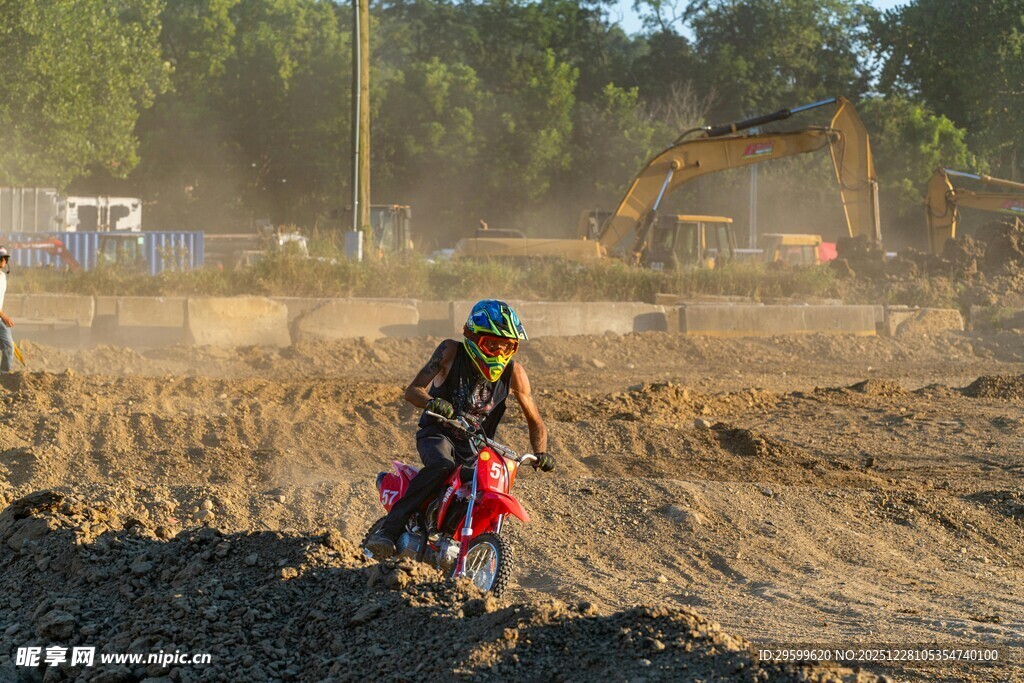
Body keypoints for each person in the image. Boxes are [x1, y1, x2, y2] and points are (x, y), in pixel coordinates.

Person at [364, 299, 554, 559]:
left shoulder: (515, 373)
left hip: (474, 446)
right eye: (492, 344)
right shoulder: (450, 352)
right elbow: (412, 391)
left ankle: (451, 539)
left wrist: (540, 453)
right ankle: (388, 530)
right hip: (438, 433)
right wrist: (434, 403)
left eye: (507, 346)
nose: (499, 353)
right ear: (473, 337)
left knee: (483, 488)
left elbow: (536, 421)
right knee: (441, 466)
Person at [0, 247, 15, 371]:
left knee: (7, 346)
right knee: (8, 346)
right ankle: (5, 376)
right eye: (1, 258)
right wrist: (3, 316)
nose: (3, 260)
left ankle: (4, 376)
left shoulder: (2, 276)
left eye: (4, 258)